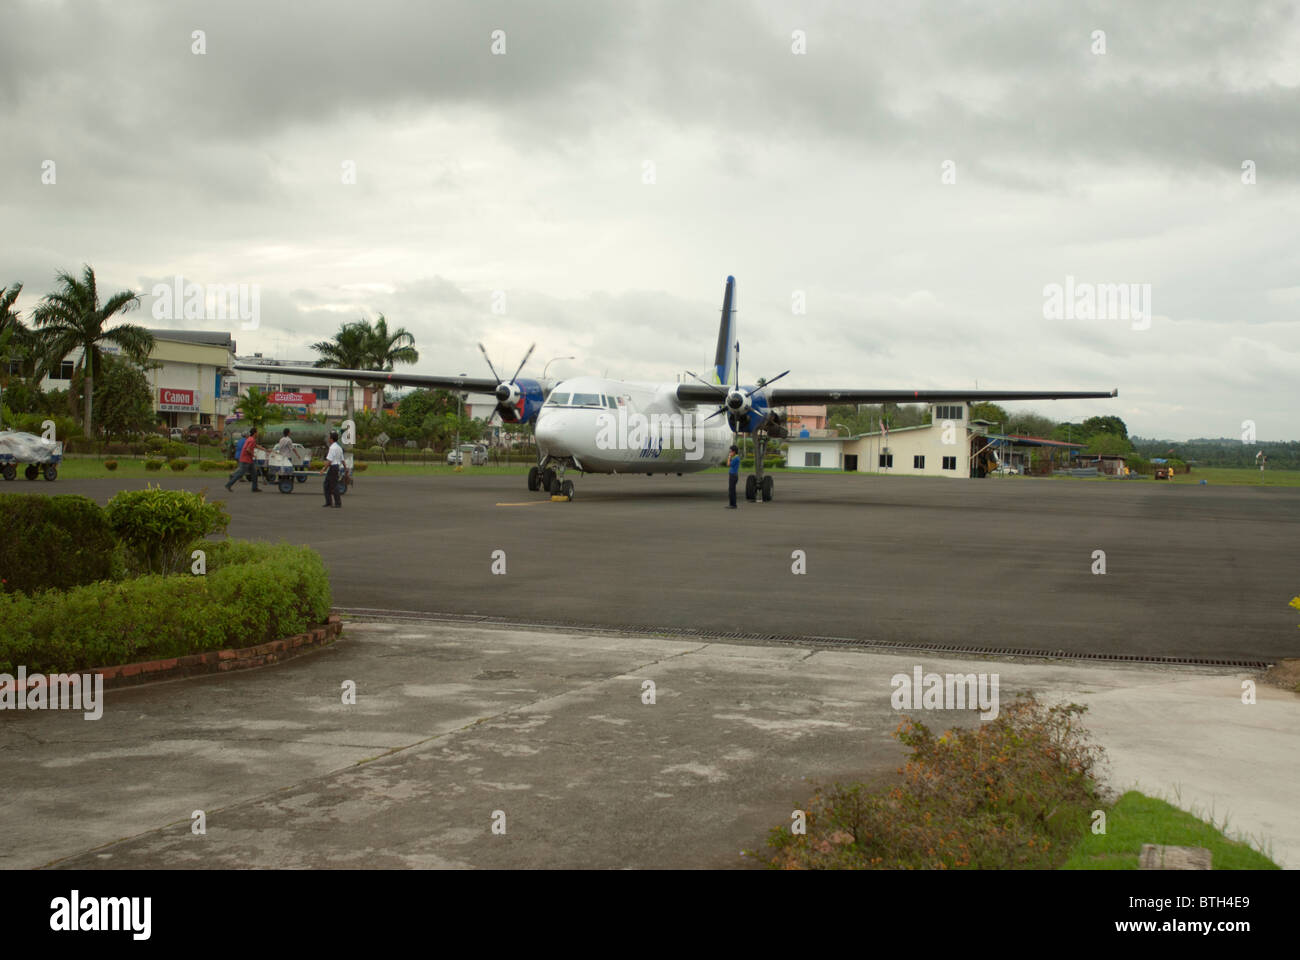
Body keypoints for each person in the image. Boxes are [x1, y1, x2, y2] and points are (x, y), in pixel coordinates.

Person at [224, 427, 261, 493]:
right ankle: (228, 485)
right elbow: (248, 449)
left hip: (247, 459)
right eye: (257, 432)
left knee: (254, 473)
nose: (258, 433)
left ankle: (255, 488)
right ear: (255, 433)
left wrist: (265, 449)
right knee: (240, 474)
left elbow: (256, 446)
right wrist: (253, 455)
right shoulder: (251, 440)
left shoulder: (250, 439)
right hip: (245, 460)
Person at [322, 429, 344, 508]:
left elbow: (329, 461)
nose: (328, 439)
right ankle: (329, 502)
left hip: (333, 468)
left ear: (331, 439)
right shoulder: (339, 448)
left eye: (329, 438)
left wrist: (323, 469)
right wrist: (346, 468)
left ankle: (337, 503)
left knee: (334, 486)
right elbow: (342, 460)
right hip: (336, 467)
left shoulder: (332, 448)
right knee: (327, 485)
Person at [727, 444, 740, 508]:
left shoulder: (736, 458)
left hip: (733, 475)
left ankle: (733, 504)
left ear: (734, 452)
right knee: (731, 490)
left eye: (731, 451)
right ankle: (732, 504)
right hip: (733, 475)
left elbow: (728, 464)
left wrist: (729, 457)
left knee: (732, 491)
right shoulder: (735, 457)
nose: (730, 452)